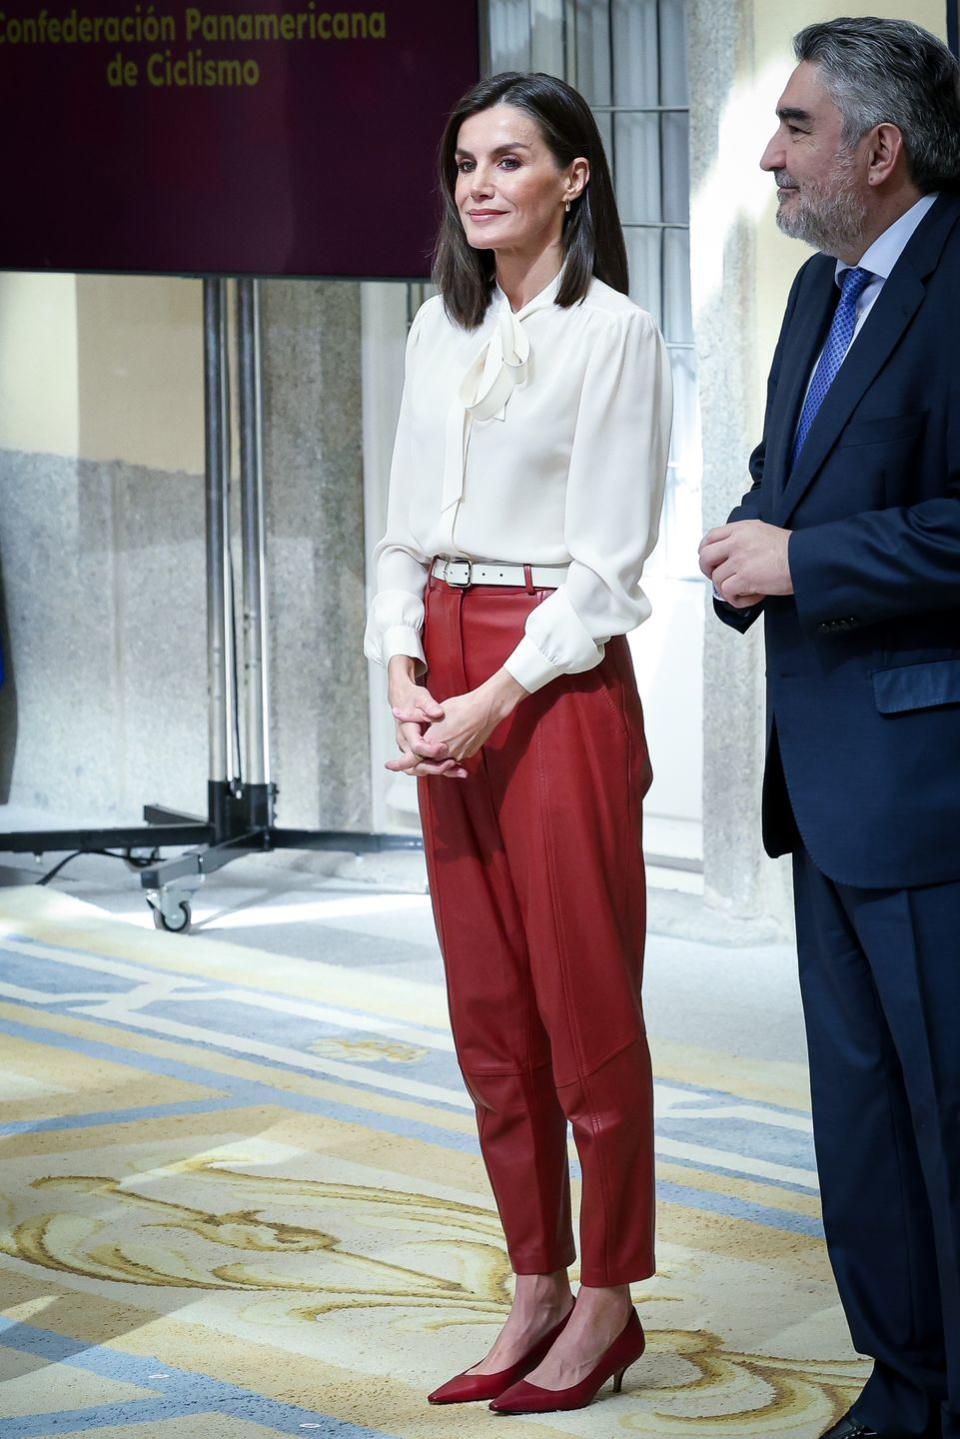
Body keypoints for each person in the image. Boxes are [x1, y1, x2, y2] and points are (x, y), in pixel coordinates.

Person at [364, 70, 672, 1415]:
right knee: (489, 1013)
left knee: (584, 1008)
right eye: (464, 164)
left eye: (508, 161)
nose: (477, 184)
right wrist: (404, 672)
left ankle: (607, 1299)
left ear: (576, 178)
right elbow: (395, 530)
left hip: (556, 676)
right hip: (445, 657)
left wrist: (496, 698)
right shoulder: (437, 331)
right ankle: (533, 1278)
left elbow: (609, 569)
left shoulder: (618, 336)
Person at [699, 19, 960, 1439]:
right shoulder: (816, 291)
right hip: (824, 775)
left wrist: (808, 563)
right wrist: (754, 534)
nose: (770, 153)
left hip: (930, 784)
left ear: (880, 147)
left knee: (947, 1130)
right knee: (862, 1129)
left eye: (796, 127)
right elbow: (788, 469)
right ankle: (905, 1386)